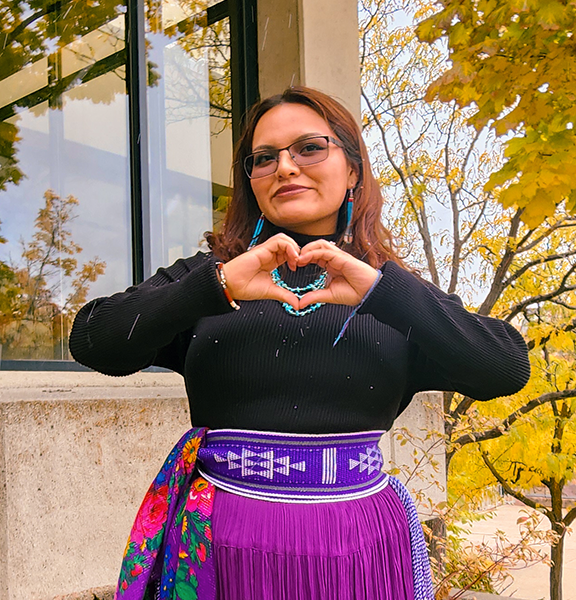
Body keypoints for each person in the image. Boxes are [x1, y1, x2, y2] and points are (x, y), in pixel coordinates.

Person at [69, 86, 530, 600]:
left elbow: (505, 368)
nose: (285, 167)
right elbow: (92, 339)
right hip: (219, 553)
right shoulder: (211, 278)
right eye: (264, 158)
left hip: (360, 554)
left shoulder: (391, 293)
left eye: (309, 148)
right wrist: (214, 286)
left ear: (352, 169)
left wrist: (382, 292)